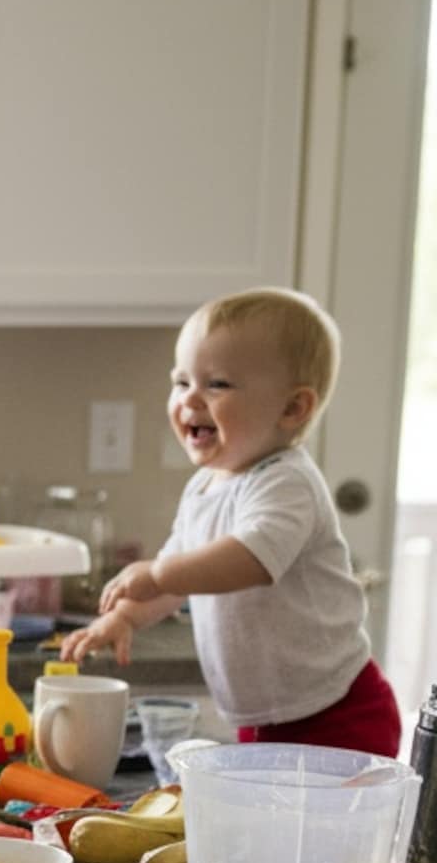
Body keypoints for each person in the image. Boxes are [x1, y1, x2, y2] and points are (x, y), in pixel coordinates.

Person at [61, 287, 400, 758]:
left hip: (337, 712)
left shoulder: (287, 482)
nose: (191, 400)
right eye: (181, 382)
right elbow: (180, 579)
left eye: (217, 384)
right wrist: (123, 617)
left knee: (321, 831)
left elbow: (251, 559)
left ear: (292, 408)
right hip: (262, 716)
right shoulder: (205, 486)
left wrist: (156, 572)